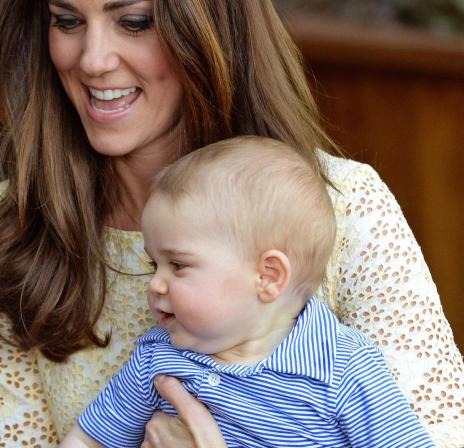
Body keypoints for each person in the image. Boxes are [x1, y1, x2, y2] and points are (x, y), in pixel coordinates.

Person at [0, 0, 464, 446]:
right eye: (67, 21)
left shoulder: (344, 207)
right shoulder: (8, 232)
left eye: (134, 21)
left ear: (209, 22)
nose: (92, 59)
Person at [61, 136, 434, 447]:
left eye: (178, 265)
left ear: (268, 276)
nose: (155, 284)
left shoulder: (345, 371)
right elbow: (87, 441)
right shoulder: (157, 358)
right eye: (152, 264)